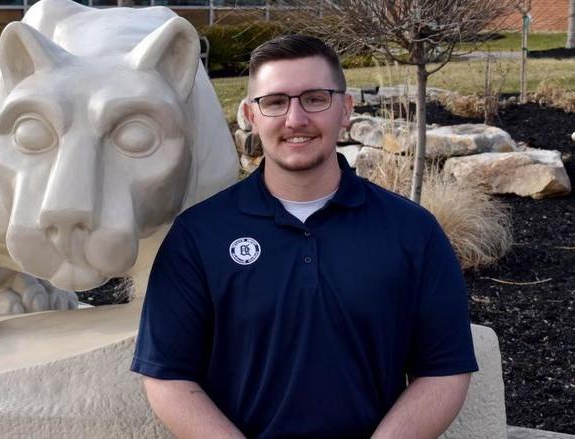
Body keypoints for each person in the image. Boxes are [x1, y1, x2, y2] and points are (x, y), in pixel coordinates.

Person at [131, 35, 478, 439]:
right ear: (250, 115)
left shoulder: (412, 231)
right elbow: (168, 377)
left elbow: (444, 371)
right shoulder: (198, 235)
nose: (295, 119)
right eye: (275, 102)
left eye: (315, 98)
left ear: (345, 109)